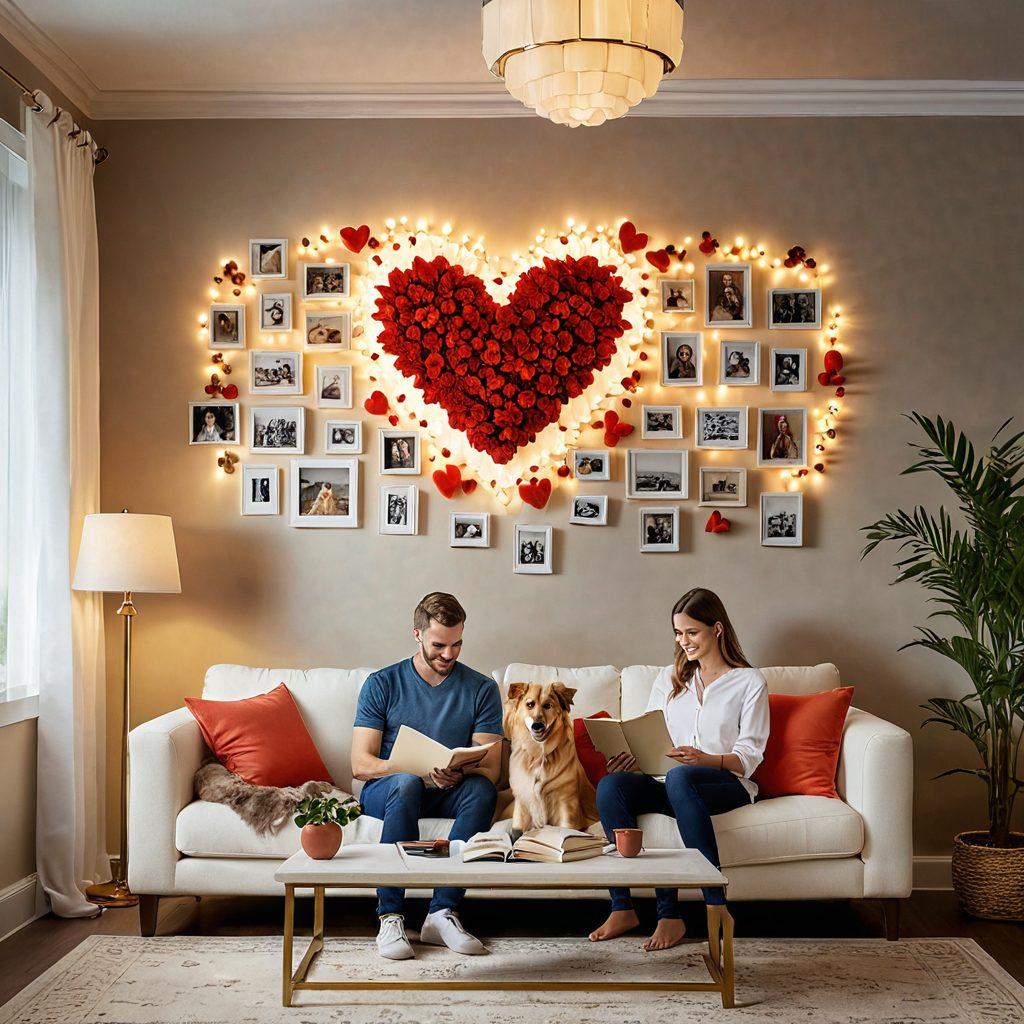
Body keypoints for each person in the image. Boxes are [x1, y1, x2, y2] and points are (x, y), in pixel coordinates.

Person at [588, 587, 769, 952]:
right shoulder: (670, 681)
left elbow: (750, 755)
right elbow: (653, 737)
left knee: (681, 777)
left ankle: (716, 905)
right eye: (677, 632)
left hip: (725, 782)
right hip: (672, 780)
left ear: (717, 629)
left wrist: (706, 759)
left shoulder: (749, 682)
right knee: (612, 786)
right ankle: (622, 907)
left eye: (691, 632)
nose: (682, 641)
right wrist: (631, 757)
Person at [351, 593, 502, 961]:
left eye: (457, 644)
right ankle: (390, 915)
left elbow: (492, 769)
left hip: (449, 788)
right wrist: (412, 768)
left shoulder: (481, 688)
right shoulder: (382, 683)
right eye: (439, 645)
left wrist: (458, 770)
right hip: (389, 790)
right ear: (417, 634)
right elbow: (360, 763)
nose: (448, 655)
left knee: (482, 790)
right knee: (407, 783)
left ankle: (441, 913)